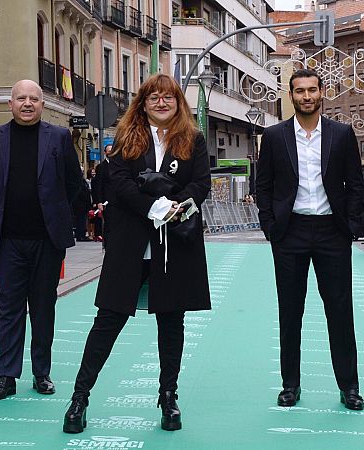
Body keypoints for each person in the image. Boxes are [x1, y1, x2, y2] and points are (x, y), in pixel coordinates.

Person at [63, 74, 211, 433]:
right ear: (142, 104)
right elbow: (121, 186)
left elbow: (200, 185)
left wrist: (172, 206)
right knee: (108, 321)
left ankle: (169, 397)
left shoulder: (193, 139)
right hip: (130, 244)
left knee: (172, 323)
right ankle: (79, 398)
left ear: (178, 103)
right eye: (153, 97)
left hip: (175, 244)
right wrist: (154, 207)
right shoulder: (126, 139)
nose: (161, 103)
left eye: (168, 98)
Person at [255, 68, 364, 411]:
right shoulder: (273, 137)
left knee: (340, 311)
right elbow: (264, 187)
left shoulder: (342, 134)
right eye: (299, 91)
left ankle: (349, 387)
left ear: (322, 93)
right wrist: (271, 227)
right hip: (291, 233)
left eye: (312, 90)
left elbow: (355, 183)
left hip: (332, 231)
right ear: (291, 96)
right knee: (290, 312)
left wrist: (350, 224)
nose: (306, 96)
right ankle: (290, 385)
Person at [0, 79, 84, 401]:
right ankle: (5, 376)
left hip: (46, 241)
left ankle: (42, 373)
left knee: (42, 308)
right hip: (7, 240)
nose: (27, 104)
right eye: (20, 98)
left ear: (43, 105)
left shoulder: (60, 138)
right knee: (8, 308)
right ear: (10, 104)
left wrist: (53, 212)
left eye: (34, 99)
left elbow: (73, 183)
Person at [90, 145, 113, 242]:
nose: (110, 153)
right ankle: (108, 244)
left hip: (117, 199)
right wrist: (99, 201)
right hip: (106, 200)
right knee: (108, 224)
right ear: (105, 153)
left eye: (112, 151)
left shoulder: (117, 165)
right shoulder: (101, 167)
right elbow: (98, 185)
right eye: (108, 151)